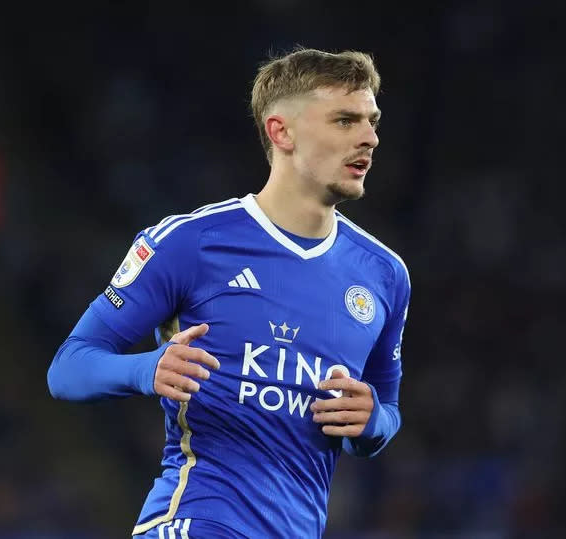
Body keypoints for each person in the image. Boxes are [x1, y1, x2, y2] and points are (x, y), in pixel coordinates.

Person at [47, 47, 411, 538]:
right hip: (194, 520)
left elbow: (385, 412)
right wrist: (143, 368)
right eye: (345, 121)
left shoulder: (384, 275)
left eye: (372, 121)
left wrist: (371, 423)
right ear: (281, 131)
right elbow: (68, 367)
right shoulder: (190, 243)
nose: (369, 137)